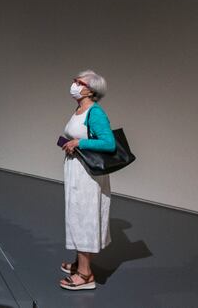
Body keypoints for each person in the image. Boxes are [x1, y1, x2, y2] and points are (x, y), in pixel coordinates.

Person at [58, 70, 116, 291]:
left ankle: (85, 274)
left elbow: (109, 144)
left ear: (91, 90)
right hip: (76, 170)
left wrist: (78, 144)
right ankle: (79, 264)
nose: (74, 84)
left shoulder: (96, 113)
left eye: (78, 82)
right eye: (74, 80)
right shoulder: (79, 109)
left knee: (84, 217)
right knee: (76, 215)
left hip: (88, 175)